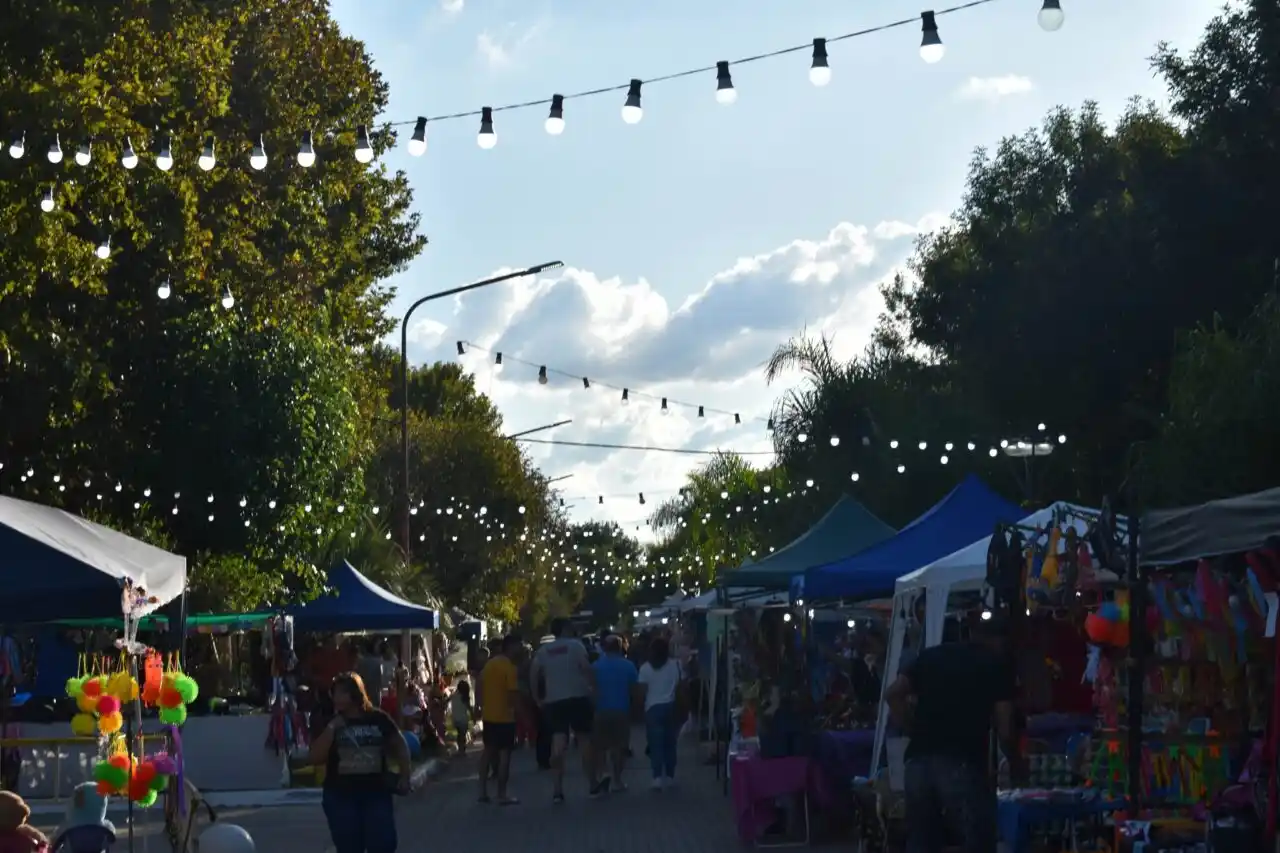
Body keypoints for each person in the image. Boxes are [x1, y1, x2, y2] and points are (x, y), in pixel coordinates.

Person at [885, 617, 1019, 853]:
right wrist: (1015, 763)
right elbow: (1005, 727)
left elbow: (893, 694)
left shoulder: (930, 656)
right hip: (960, 763)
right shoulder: (996, 664)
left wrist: (911, 728)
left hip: (918, 762)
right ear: (998, 640)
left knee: (922, 840)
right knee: (977, 839)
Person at [311, 672, 411, 853]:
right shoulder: (328, 721)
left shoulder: (378, 719)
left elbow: (400, 745)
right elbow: (315, 757)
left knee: (383, 844)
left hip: (375, 792)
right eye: (334, 693)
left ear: (355, 694)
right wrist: (332, 728)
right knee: (349, 846)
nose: (336, 698)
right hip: (341, 795)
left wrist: (405, 775)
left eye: (342, 693)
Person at [530, 618, 596, 803]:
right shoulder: (576, 646)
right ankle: (592, 784)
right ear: (566, 629)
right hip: (578, 697)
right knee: (584, 740)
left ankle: (558, 790)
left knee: (558, 741)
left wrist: (537, 698)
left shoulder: (544, 651)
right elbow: (585, 668)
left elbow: (534, 674)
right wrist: (593, 688)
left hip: (554, 701)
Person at [590, 634, 638, 794]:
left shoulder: (596, 666)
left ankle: (604, 772)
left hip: (601, 710)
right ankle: (617, 780)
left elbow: (590, 688)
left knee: (600, 747)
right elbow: (634, 689)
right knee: (619, 747)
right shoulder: (629, 666)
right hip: (621, 710)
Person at [477, 635, 522, 805]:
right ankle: (501, 794)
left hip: (489, 716)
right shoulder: (509, 668)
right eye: (518, 645)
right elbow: (513, 695)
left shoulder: (489, 665)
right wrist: (519, 714)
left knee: (487, 753)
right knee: (504, 756)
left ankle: (482, 792)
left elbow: (479, 687)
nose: (520, 649)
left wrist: (481, 707)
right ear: (511, 646)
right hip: (505, 718)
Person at [636, 636, 682, 790]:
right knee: (670, 743)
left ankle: (657, 776)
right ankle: (670, 774)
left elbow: (642, 691)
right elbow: (680, 685)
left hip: (652, 708)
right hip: (671, 706)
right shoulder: (675, 665)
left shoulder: (645, 668)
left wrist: (639, 709)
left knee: (655, 744)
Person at [450, 680, 473, 756]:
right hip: (463, 719)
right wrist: (473, 716)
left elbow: (448, 700)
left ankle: (460, 749)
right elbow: (469, 708)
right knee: (462, 735)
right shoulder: (465, 698)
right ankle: (462, 749)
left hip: (455, 719)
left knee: (460, 734)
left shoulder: (453, 695)